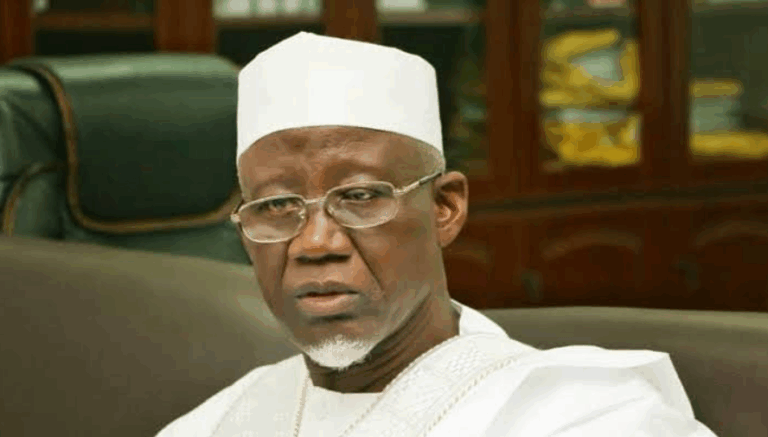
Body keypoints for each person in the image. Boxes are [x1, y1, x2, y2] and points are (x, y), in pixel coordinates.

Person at [156, 32, 718, 437]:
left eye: (360, 196)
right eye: (277, 206)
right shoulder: (217, 421)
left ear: (445, 207)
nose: (315, 244)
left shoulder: (583, 418)